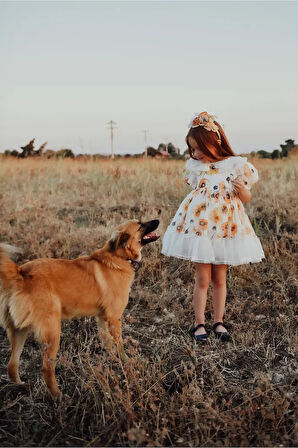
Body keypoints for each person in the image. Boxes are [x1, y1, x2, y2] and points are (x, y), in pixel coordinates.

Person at [161, 112, 265, 342]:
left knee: (220, 278)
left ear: (214, 143)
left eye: (199, 148)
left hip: (225, 229)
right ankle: (199, 323)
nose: (195, 154)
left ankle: (218, 321)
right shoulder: (196, 168)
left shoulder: (235, 166)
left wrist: (242, 191)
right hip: (202, 229)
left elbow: (246, 197)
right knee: (202, 279)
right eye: (192, 149)